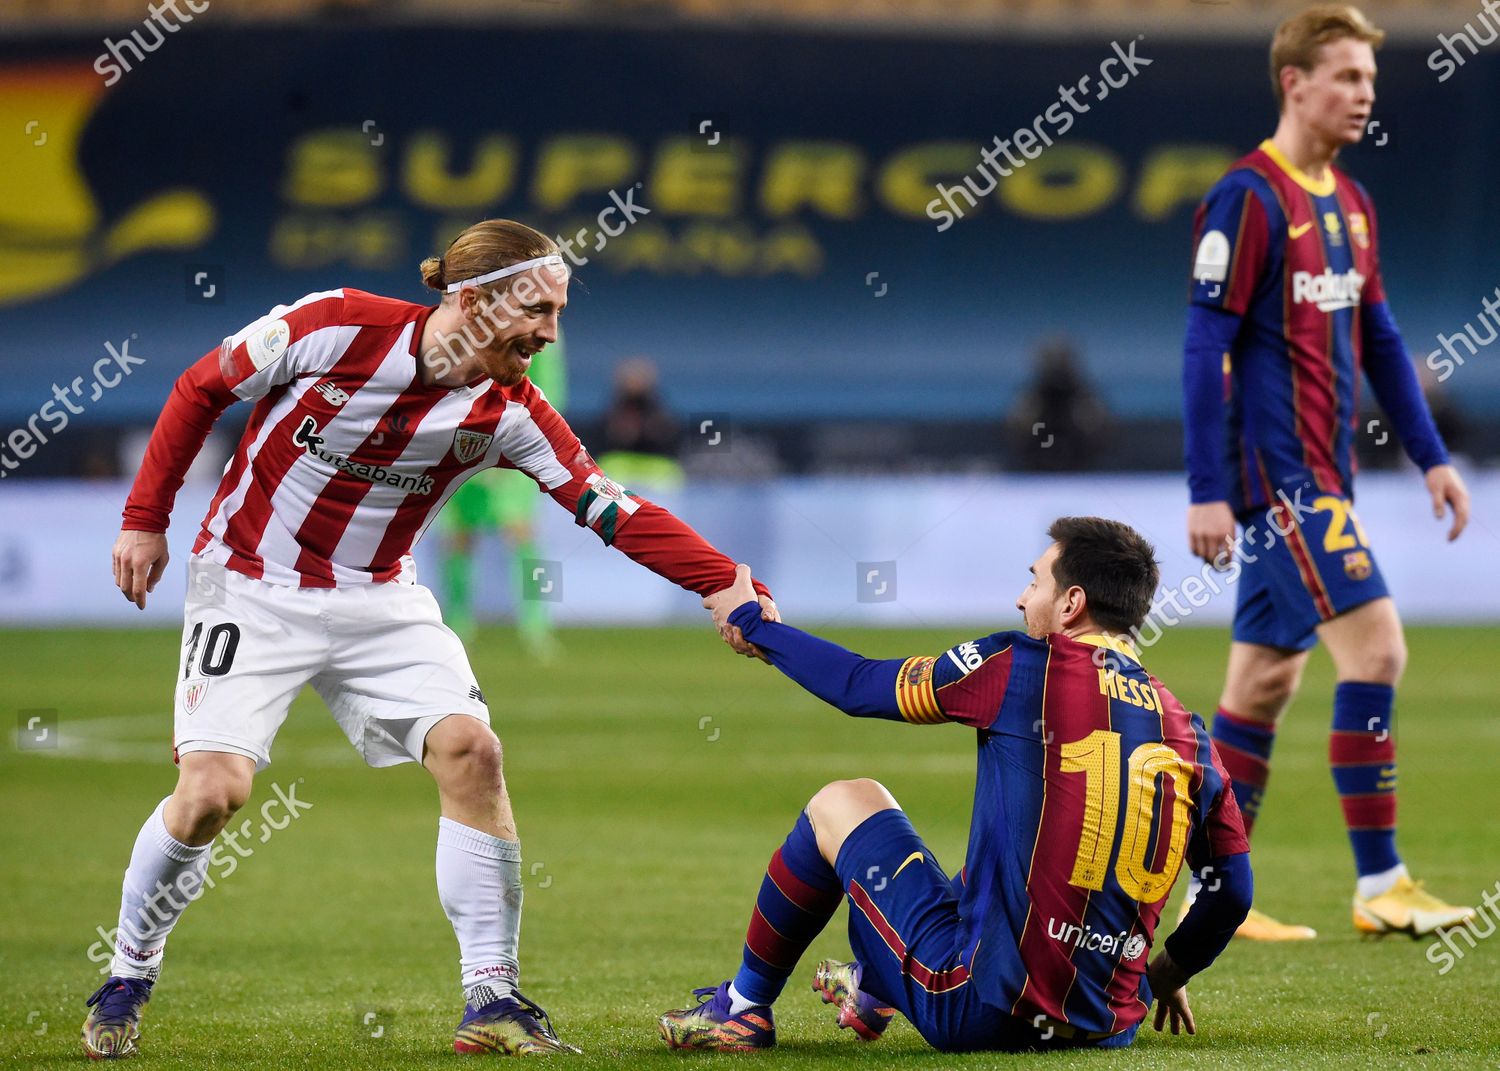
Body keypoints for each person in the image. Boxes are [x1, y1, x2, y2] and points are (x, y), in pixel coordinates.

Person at [89, 218, 777, 1059]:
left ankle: (491, 997)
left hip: (380, 597)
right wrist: (143, 520)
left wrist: (720, 578)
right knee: (211, 795)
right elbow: (202, 387)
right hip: (249, 584)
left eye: (559, 313)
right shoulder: (335, 323)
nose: (550, 333)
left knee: (472, 751)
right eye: (536, 308)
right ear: (473, 298)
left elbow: (608, 505)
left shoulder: (512, 411)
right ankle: (129, 969)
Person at [662, 518, 1252, 1053]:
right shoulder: (1190, 735)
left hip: (979, 1009)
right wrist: (1162, 977)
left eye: (1035, 582)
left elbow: (859, 684)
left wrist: (752, 624)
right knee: (1014, 849)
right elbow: (1232, 894)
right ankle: (873, 988)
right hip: (1109, 1025)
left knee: (843, 801)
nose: (1022, 598)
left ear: (1072, 603)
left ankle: (742, 1009)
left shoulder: (1021, 665)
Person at [1181, 4, 1473, 942]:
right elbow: (1202, 345)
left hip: (1326, 481)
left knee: (1263, 684)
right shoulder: (1247, 198)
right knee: (1379, 649)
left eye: (1371, 82)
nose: (1363, 96)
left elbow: (1379, 339)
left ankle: (1203, 894)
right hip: (1284, 486)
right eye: (1347, 77)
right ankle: (1381, 882)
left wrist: (1430, 453)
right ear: (1293, 83)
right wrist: (1206, 488)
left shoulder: (1351, 204)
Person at [437, 326, 569, 653]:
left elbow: (551, 387)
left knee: (521, 531)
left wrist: (527, 437)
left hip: (516, 440)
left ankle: (537, 624)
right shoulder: (467, 321)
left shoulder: (542, 329)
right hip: (462, 438)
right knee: (459, 536)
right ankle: (458, 622)